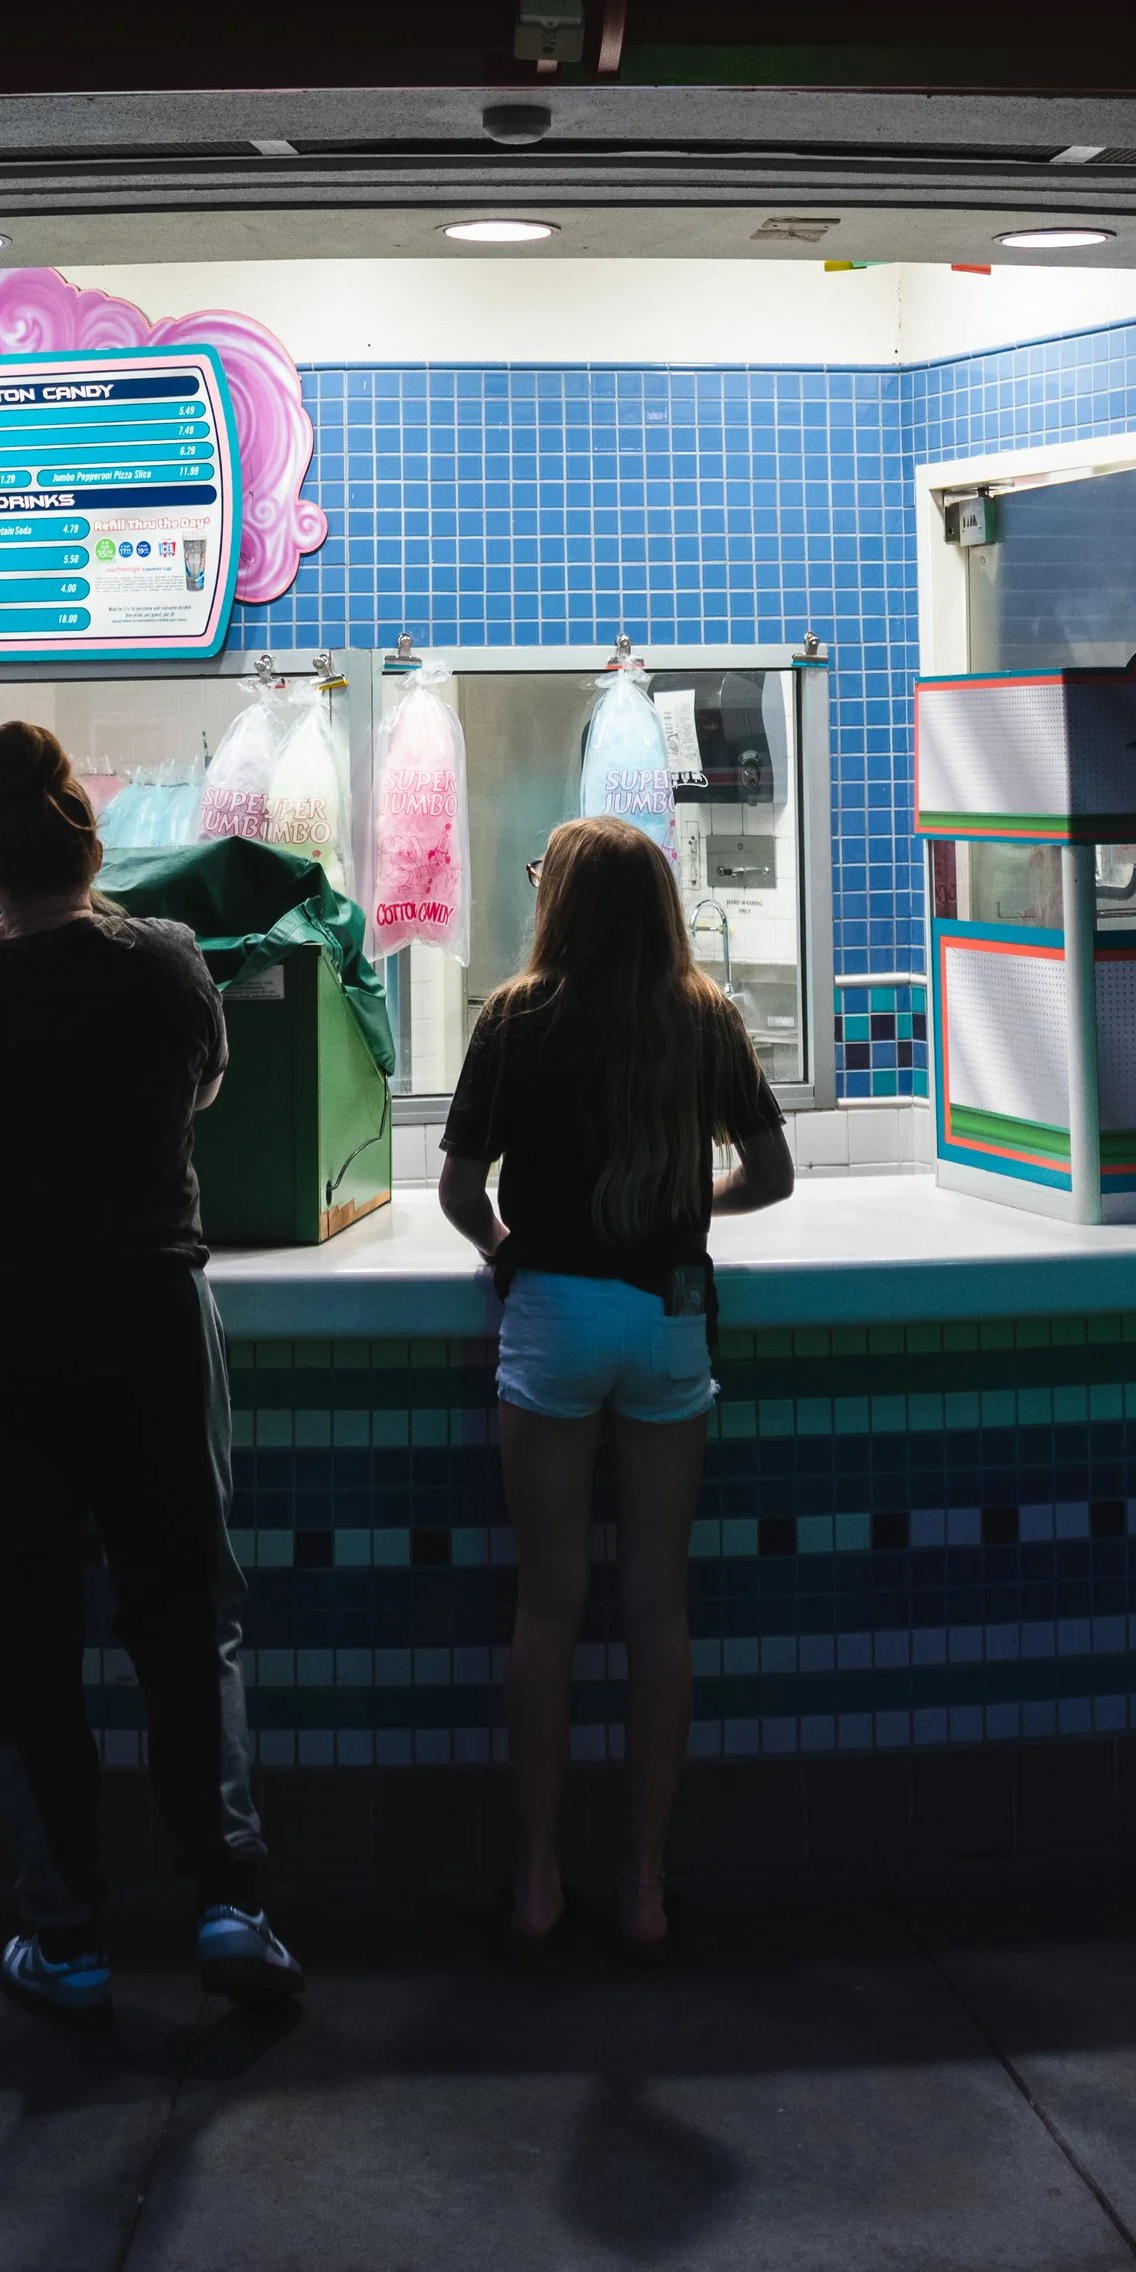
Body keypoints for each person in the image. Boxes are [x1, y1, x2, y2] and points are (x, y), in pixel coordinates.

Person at [0, 720, 303, 2019]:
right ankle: (227, 1903)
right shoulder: (164, 966)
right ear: (89, 847)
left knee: (25, 1638)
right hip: (153, 1316)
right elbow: (203, 1086)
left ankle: (66, 1935)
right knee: (184, 1612)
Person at [437, 814, 795, 1958]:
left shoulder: (512, 1015)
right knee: (659, 1611)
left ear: (562, 905)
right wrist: (687, 1206)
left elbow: (456, 1189)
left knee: (547, 1609)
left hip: (551, 1315)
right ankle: (644, 1886)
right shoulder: (707, 1018)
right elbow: (774, 1176)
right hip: (668, 1317)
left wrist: (508, 1247)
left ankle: (537, 1881)